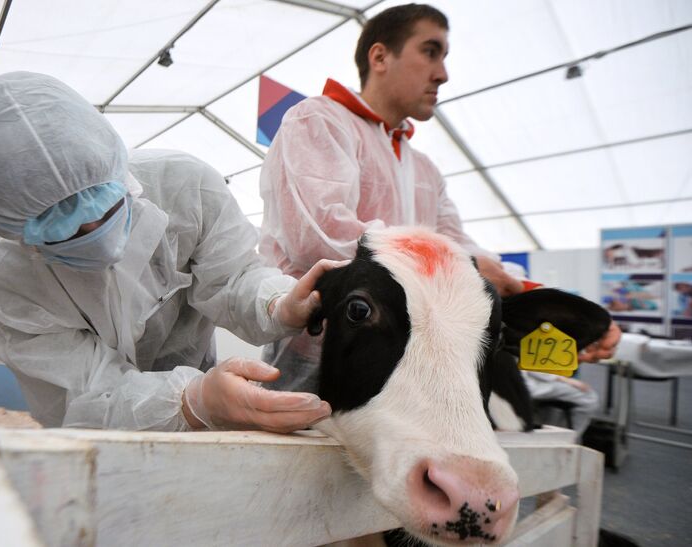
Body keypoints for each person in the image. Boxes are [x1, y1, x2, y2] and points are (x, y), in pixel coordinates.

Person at [258, 4, 620, 393]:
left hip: (407, 367)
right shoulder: (319, 121)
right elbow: (321, 239)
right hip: (317, 359)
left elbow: (462, 247)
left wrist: (562, 313)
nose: (443, 74)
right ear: (379, 56)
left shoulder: (425, 170)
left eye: (444, 56)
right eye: (430, 51)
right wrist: (460, 263)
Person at [0, 71, 339, 433]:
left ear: (119, 172)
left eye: (108, 209)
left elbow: (233, 277)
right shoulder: (3, 284)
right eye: (66, 233)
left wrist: (276, 303)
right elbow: (91, 393)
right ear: (16, 232)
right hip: (94, 439)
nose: (98, 236)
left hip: (206, 385)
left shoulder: (184, 186)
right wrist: (194, 401)